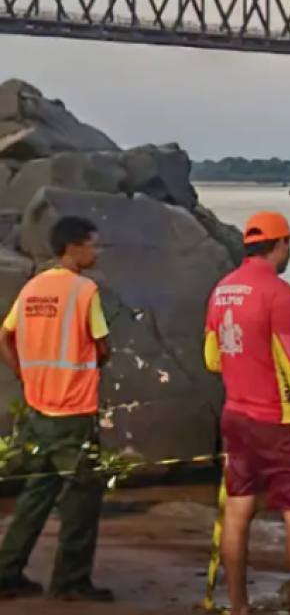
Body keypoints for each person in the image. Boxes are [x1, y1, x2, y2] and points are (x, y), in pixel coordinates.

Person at [204, 212, 290, 615]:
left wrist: (245, 359)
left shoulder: (222, 289)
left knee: (238, 509)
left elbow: (212, 357)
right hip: (276, 422)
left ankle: (239, 607)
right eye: (288, 245)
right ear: (280, 246)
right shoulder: (279, 293)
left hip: (235, 417)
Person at [0, 216, 113, 602]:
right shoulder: (84, 290)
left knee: (38, 490)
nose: (96, 252)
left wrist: (24, 374)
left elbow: (5, 335)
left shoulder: (33, 288)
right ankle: (72, 581)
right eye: (93, 244)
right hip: (73, 409)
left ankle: (7, 571)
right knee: (83, 494)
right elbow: (102, 346)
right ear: (74, 247)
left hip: (39, 406)